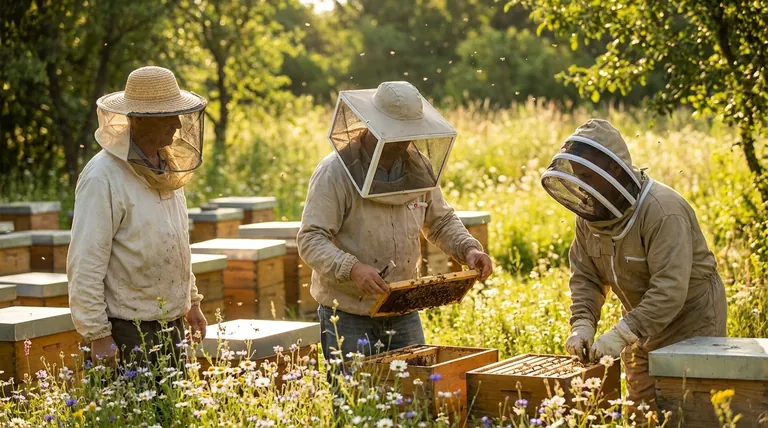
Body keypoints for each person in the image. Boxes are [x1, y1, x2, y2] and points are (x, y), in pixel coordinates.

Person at [298, 81, 493, 362]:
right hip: (349, 312)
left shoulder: (418, 167)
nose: (404, 141)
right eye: (397, 135)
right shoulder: (335, 173)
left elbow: (440, 221)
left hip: (401, 308)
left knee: (415, 394)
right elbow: (311, 239)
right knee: (354, 398)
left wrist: (468, 249)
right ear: (373, 127)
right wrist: (352, 269)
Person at [540, 119, 727, 412]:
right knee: (643, 412)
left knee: (690, 411)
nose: (583, 188)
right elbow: (586, 276)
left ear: (614, 169)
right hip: (640, 325)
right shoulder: (590, 217)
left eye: (588, 176)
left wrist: (622, 334)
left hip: (691, 323)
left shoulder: (663, 211)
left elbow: (669, 289)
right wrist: (582, 322)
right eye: (578, 177)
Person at [67, 66, 208, 365]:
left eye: (178, 113)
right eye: (168, 115)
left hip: (172, 322)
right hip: (125, 329)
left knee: (169, 411)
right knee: (133, 411)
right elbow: (86, 261)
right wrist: (97, 333)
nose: (178, 124)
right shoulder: (102, 176)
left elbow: (175, 241)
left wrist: (191, 301)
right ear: (140, 119)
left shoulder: (167, 168)